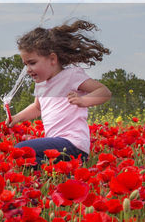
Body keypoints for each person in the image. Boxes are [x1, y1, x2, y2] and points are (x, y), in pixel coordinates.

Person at [7, 19, 112, 165]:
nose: (28, 69)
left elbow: (104, 92)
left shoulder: (71, 76)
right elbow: (37, 108)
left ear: (52, 59)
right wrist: (17, 117)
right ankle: (62, 174)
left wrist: (83, 101)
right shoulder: (40, 85)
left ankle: (63, 172)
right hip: (56, 144)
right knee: (25, 158)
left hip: (73, 145)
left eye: (32, 63)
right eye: (25, 64)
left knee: (21, 150)